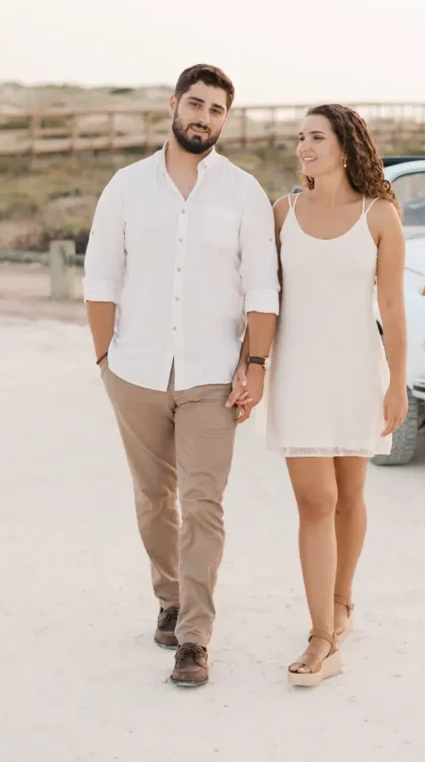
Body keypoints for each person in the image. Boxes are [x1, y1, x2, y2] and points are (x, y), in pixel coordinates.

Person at [83, 64, 278, 688]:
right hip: (135, 370)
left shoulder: (242, 191)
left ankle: (193, 635)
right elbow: (100, 278)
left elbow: (262, 290)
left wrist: (255, 366)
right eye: (196, 105)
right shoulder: (126, 186)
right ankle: (168, 596)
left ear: (226, 118)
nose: (204, 118)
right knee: (152, 500)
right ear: (173, 105)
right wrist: (103, 361)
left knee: (203, 504)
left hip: (212, 376)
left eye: (217, 110)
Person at [265, 103, 408, 686]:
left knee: (350, 495)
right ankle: (322, 635)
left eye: (316, 137)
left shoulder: (380, 216)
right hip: (296, 373)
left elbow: (394, 307)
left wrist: (398, 381)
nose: (304, 146)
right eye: (300, 137)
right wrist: (248, 367)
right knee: (315, 501)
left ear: (345, 146)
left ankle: (343, 602)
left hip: (355, 372)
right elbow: (261, 296)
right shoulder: (283, 212)